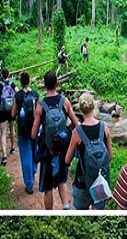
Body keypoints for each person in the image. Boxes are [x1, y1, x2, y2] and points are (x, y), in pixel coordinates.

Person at [31, 70, 78, 210]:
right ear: (57, 84)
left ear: (44, 85)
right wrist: (66, 130)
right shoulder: (65, 102)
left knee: (47, 188)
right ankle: (65, 206)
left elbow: (33, 134)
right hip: (61, 150)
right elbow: (76, 124)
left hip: (47, 152)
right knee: (62, 180)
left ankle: (49, 213)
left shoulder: (41, 105)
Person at [64, 92, 113, 209]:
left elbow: (67, 160)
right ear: (94, 107)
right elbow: (110, 156)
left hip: (82, 182)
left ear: (80, 109)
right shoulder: (104, 128)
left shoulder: (77, 132)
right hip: (100, 182)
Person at [10, 72, 39, 194]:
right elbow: (39, 112)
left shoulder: (18, 95)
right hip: (34, 128)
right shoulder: (35, 94)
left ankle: (29, 183)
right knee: (34, 150)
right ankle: (33, 170)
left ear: (21, 82)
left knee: (26, 154)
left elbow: (12, 114)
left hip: (23, 130)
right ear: (30, 81)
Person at [0, 68, 18, 165]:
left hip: (2, 110)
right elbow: (18, 93)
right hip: (11, 109)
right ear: (9, 75)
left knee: (3, 132)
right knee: (12, 128)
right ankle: (12, 148)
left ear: (1, 75)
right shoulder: (12, 84)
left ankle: (4, 155)